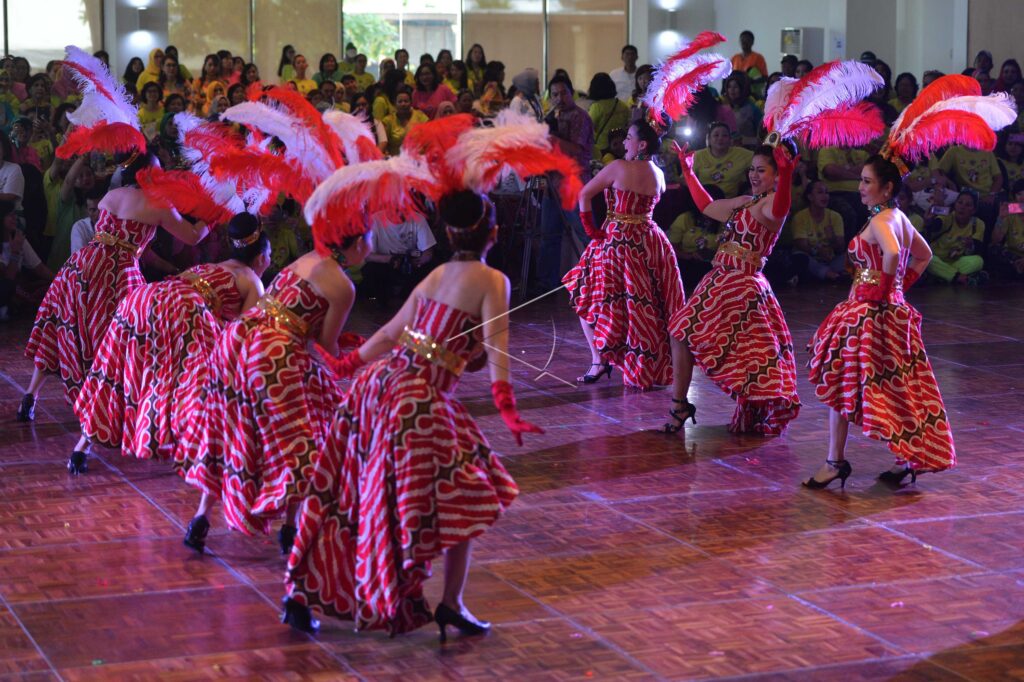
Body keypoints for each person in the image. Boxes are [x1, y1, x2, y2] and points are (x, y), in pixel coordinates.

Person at [283, 189, 537, 637]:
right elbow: (498, 349)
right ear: (493, 233)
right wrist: (507, 407)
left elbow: (387, 333)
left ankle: (299, 594)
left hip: (378, 385)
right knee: (467, 495)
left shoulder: (437, 274)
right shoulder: (494, 281)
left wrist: (348, 364)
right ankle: (450, 602)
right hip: (417, 400)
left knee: (347, 495)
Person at [20, 151, 210, 475]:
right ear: (151, 173)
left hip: (83, 264)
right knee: (116, 352)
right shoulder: (159, 205)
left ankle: (30, 396)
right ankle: (91, 432)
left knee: (61, 324)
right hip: (117, 275)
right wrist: (213, 219)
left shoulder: (112, 194)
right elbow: (191, 236)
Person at [179, 230, 367, 553]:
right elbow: (325, 345)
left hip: (239, 339)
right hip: (274, 352)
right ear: (360, 243)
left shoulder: (306, 260)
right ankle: (291, 529)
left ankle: (200, 520)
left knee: (232, 430)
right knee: (299, 439)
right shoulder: (342, 286)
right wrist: (350, 356)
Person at [804, 155, 955, 489]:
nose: (860, 187)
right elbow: (924, 254)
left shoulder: (882, 221)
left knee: (841, 384)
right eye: (861, 180)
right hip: (886, 310)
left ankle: (835, 461)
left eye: (867, 182)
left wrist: (883, 290)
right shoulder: (899, 217)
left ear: (887, 188)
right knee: (895, 387)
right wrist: (900, 288)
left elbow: (892, 253)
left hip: (871, 314)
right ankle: (905, 458)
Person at [74, 213, 269, 467]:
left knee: (120, 370)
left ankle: (81, 448)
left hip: (143, 297)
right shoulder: (253, 280)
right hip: (183, 309)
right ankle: (202, 451)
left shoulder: (214, 266)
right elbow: (244, 334)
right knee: (205, 378)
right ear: (262, 257)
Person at [665, 141, 800, 435]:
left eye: (761, 170)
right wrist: (688, 171)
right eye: (751, 169)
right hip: (720, 279)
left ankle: (681, 405)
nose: (753, 175)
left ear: (776, 176)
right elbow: (706, 206)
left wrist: (788, 174)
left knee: (734, 353)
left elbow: (781, 208)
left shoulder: (772, 203)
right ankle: (679, 405)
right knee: (681, 334)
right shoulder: (746, 201)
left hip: (742, 285)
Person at [563, 119, 684, 389]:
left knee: (587, 294)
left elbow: (584, 194)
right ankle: (642, 365)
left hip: (616, 241)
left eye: (629, 137)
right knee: (645, 307)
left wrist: (590, 229)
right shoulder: (660, 173)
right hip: (650, 241)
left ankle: (599, 359)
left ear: (642, 144)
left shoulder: (619, 167)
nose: (624, 142)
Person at [537, 75, 593, 290]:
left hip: (574, 183)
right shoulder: (551, 116)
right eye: (555, 94)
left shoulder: (581, 117)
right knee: (548, 236)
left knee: (584, 233)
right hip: (552, 184)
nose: (559, 98)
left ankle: (598, 280)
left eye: (564, 93)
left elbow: (577, 150)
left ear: (572, 93)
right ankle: (546, 284)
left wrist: (551, 137)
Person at [360, 212, 437, 307]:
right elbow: (367, 255)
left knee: (431, 267)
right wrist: (390, 259)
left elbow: (428, 251)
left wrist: (417, 262)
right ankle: (377, 300)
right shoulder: (374, 220)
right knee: (370, 270)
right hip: (385, 263)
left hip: (410, 264)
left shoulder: (418, 218)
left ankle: (409, 299)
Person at [0, 199, 52, 320]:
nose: (14, 218)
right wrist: (15, 253)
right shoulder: (15, 244)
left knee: (46, 288)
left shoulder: (17, 237)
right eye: (10, 215)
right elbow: (7, 278)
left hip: (11, 288)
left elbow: (39, 268)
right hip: (4, 288)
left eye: (15, 214)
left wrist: (62, 282)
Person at [924, 188, 987, 284]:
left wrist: (970, 245)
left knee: (978, 261)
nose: (962, 207)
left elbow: (977, 249)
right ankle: (956, 277)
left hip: (956, 262)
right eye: (960, 202)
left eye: (968, 205)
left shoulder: (978, 224)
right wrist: (928, 222)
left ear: (973, 210)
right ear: (955, 204)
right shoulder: (948, 216)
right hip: (938, 259)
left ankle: (944, 276)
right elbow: (936, 225)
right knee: (928, 259)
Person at [791, 180, 847, 281]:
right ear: (810, 197)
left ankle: (827, 274)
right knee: (800, 257)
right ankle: (830, 274)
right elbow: (801, 245)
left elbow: (840, 248)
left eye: (826, 193)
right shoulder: (800, 217)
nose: (825, 196)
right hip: (812, 259)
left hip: (831, 260)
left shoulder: (835, 216)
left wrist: (832, 238)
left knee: (849, 256)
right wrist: (818, 251)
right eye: (820, 192)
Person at [692, 121, 753, 198]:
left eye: (724, 135)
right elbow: (685, 180)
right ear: (709, 140)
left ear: (730, 140)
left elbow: (762, 160)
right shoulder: (698, 156)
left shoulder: (741, 154)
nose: (720, 138)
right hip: (705, 201)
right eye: (716, 135)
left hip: (734, 201)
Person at [587, 73, 631, 161]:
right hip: (621, 147)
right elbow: (628, 124)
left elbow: (588, 127)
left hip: (603, 150)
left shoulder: (597, 107)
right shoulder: (622, 105)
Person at [990, 179, 1024, 278]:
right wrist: (1000, 218)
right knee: (993, 249)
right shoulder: (1010, 213)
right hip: (1013, 256)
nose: (1023, 198)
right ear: (1014, 197)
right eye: (1019, 194)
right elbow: (995, 240)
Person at [381, 86, 428, 156]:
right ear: (395, 104)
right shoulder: (388, 121)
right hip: (396, 161)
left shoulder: (420, 116)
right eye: (400, 102)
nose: (403, 104)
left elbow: (429, 138)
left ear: (411, 103)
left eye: (406, 101)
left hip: (419, 160)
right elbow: (382, 143)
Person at [721, 73, 762, 146]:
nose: (732, 90)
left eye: (735, 87)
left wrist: (746, 141)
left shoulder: (752, 110)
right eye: (729, 87)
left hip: (749, 152)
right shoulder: (724, 110)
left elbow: (763, 136)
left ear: (742, 89)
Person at [730, 30, 768, 96]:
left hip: (752, 94)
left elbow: (765, 77)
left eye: (747, 40)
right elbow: (728, 76)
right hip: (736, 94)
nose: (744, 42)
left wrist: (751, 81)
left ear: (752, 42)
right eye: (742, 40)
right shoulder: (734, 58)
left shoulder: (758, 58)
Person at [69, 188, 102, 255]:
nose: (98, 214)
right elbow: (79, 257)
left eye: (101, 209)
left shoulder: (113, 225)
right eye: (93, 210)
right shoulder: (79, 227)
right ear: (86, 210)